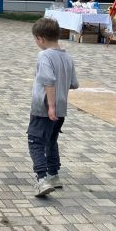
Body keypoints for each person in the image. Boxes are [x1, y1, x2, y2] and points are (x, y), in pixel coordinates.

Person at [27, 17, 79, 197]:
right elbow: (74, 83)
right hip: (62, 108)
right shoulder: (67, 56)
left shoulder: (44, 56)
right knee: (51, 140)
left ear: (40, 38)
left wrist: (50, 105)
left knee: (35, 141)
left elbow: (48, 81)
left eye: (35, 39)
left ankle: (42, 180)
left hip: (44, 108)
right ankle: (53, 174)